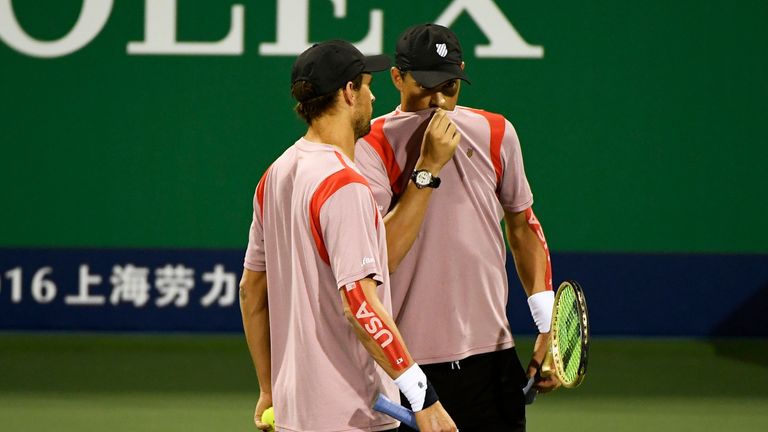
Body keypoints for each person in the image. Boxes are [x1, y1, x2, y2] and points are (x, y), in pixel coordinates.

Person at [239, 40, 457, 432]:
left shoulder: (275, 175)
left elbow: (250, 292)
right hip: (351, 417)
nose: (373, 97)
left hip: (294, 414)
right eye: (367, 86)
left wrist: (270, 389)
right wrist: (422, 396)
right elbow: (359, 306)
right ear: (348, 93)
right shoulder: (345, 186)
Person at [354, 24, 560, 431]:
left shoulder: (497, 133)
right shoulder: (370, 144)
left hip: (493, 359)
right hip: (411, 367)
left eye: (449, 86)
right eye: (425, 85)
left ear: (461, 74)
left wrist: (547, 325)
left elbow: (523, 226)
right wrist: (428, 167)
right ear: (397, 78)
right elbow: (380, 257)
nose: (438, 100)